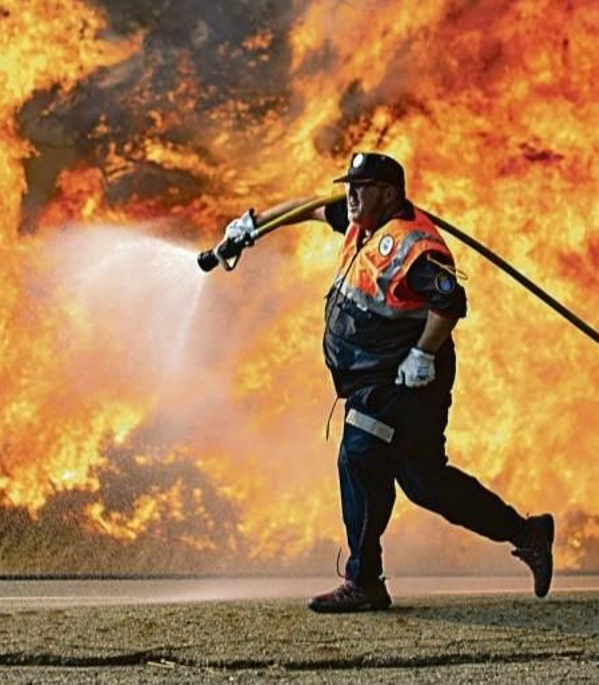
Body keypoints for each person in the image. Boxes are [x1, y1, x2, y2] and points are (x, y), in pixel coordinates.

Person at [223, 151, 554, 613]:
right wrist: (253, 226)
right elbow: (311, 208)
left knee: (358, 455)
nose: (350, 195)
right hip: (376, 377)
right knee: (425, 483)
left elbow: (450, 301)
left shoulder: (414, 246)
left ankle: (364, 580)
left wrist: (422, 353)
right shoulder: (363, 223)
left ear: (390, 192)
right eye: (350, 186)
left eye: (362, 187)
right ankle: (527, 533)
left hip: (404, 380)